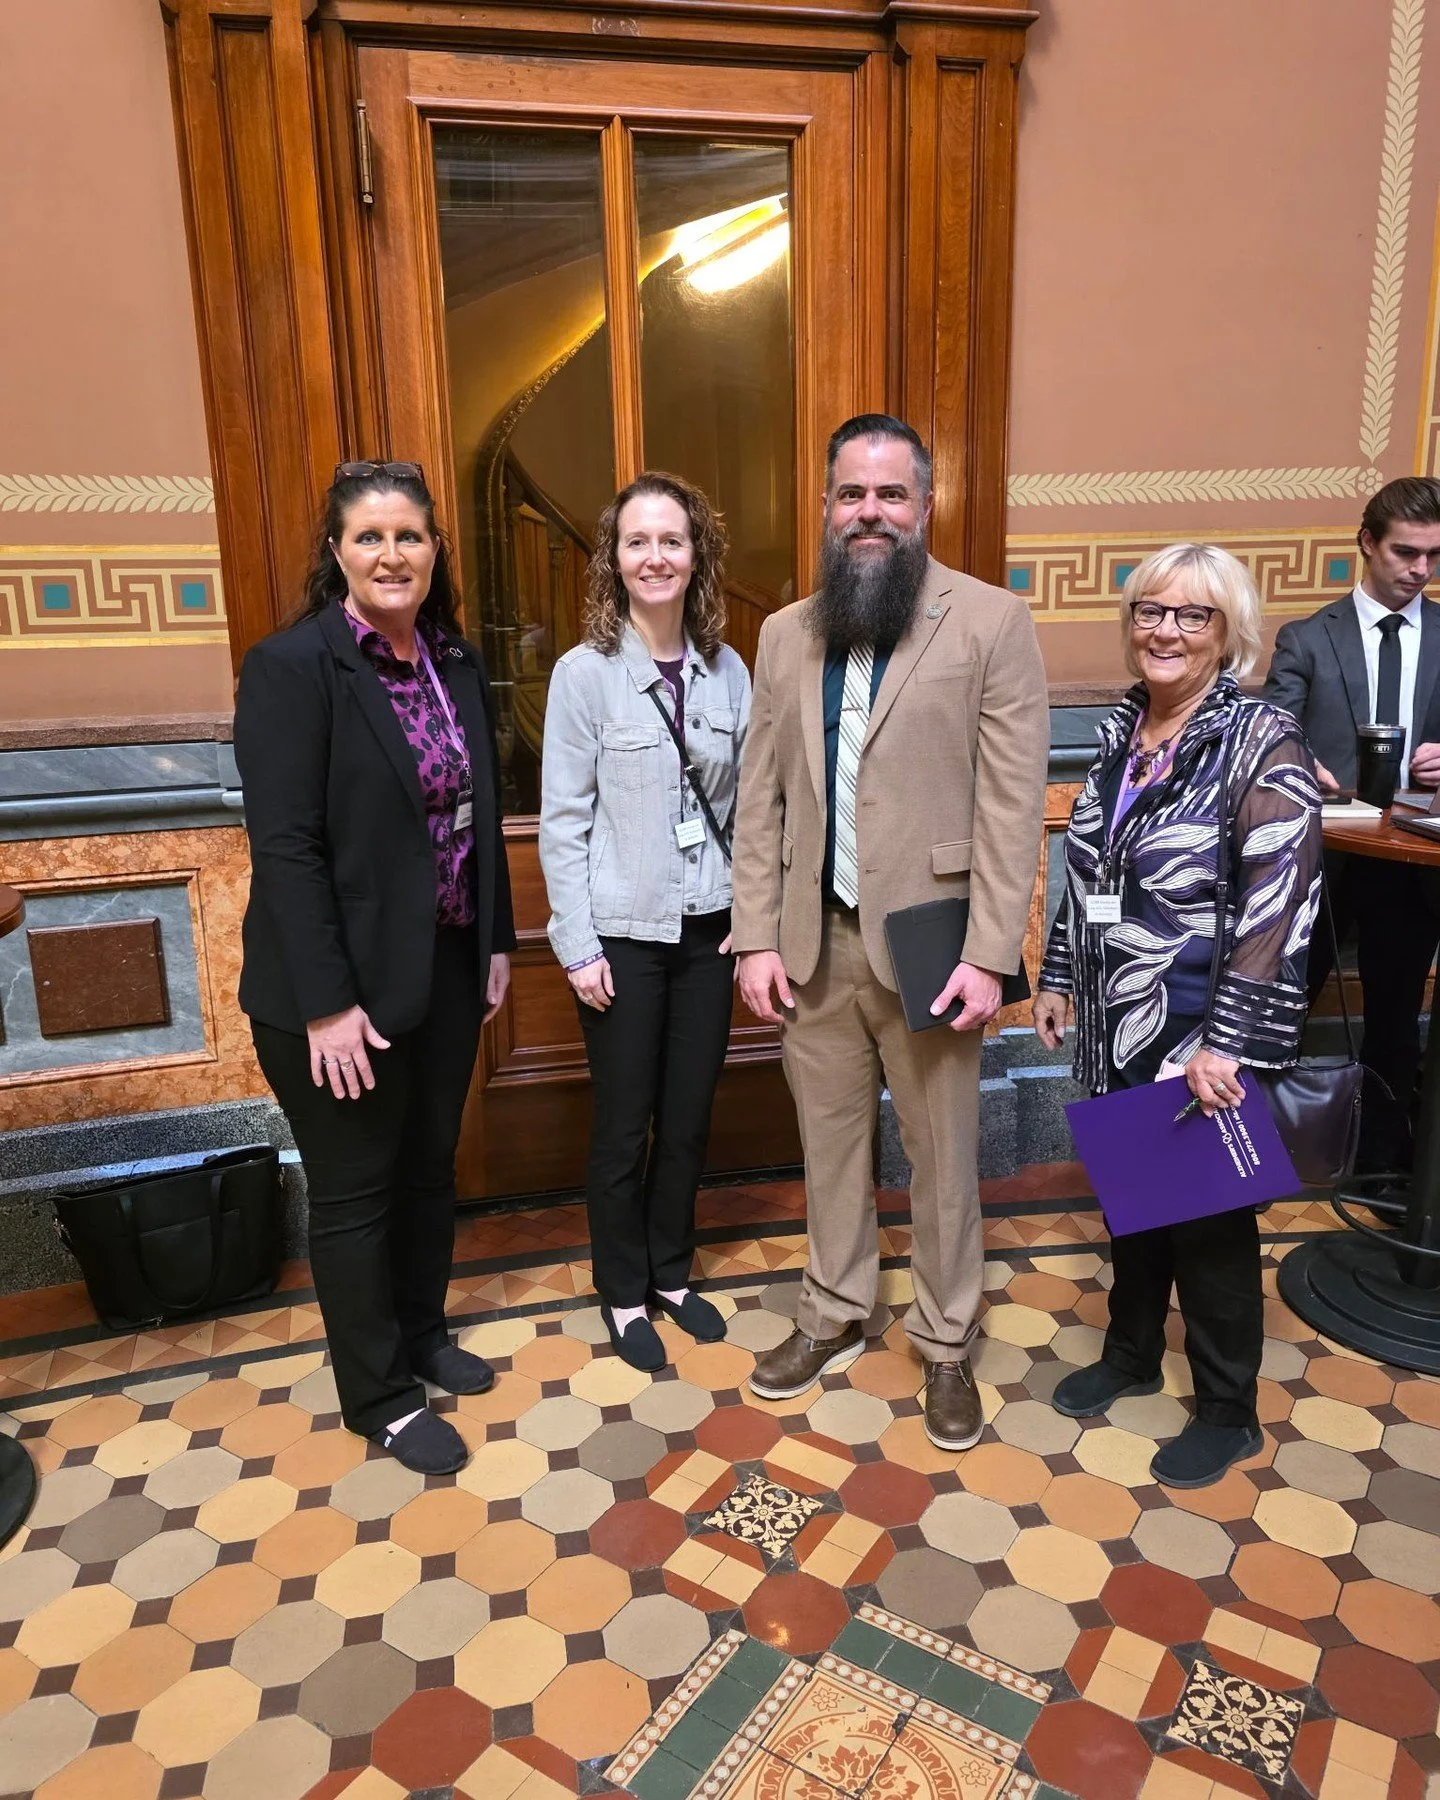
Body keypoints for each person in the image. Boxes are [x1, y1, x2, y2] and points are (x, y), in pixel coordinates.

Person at [731, 414, 1049, 1452]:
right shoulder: (784, 634)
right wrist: (756, 936)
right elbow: (762, 801)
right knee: (827, 1147)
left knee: (943, 1157)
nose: (869, 513)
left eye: (890, 494)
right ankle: (833, 1305)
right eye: (851, 495)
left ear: (925, 503)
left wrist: (990, 953)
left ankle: (948, 1338)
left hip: (932, 949)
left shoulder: (990, 621)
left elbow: (1012, 804)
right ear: (828, 505)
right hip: (813, 946)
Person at [234, 461, 515, 1476]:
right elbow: (287, 849)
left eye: (409, 536)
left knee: (429, 1169)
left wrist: (493, 940)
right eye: (370, 537)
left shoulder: (454, 661)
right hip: (335, 993)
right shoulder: (292, 668)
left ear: (435, 550)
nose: (392, 555)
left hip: (442, 965)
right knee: (356, 1194)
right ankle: (383, 1397)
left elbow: (478, 815)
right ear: (337, 553)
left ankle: (422, 1334)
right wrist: (328, 1007)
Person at [1034, 543, 1322, 1489]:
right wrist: (1061, 976)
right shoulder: (1125, 729)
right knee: (1132, 1201)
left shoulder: (1260, 738)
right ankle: (1129, 1354)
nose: (1165, 630)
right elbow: (1093, 869)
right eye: (1150, 611)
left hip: (1203, 1029)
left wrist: (1225, 1043)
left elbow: (1279, 902)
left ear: (1229, 632)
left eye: (1192, 615)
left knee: (1208, 1225)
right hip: (1123, 1014)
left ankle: (1229, 1411)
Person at [540, 472, 751, 1371]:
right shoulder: (584, 676)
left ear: (696, 555)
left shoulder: (728, 671)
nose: (655, 557)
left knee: (689, 1118)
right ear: (614, 559)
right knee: (625, 1127)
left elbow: (752, 810)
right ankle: (623, 1291)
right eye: (638, 542)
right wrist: (576, 946)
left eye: (672, 540)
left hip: (709, 934)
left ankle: (671, 1272)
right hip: (621, 937)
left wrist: (755, 914)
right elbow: (563, 822)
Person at [1262, 476, 1440, 1174]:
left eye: (1433, 556)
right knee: (1276, 1012)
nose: (1420, 570)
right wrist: (1297, 760)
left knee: (1396, 1024)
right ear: (1367, 543)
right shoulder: (1307, 638)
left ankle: (1382, 1170)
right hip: (1319, 860)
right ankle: (1254, 1160)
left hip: (1413, 865)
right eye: (1405, 553)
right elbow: (1272, 737)